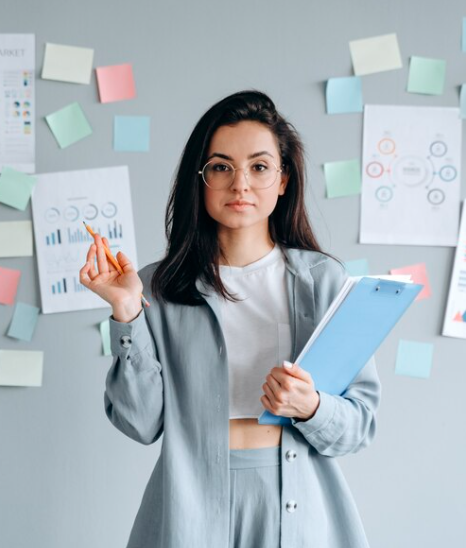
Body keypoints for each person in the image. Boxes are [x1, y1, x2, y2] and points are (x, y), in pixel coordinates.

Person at [80, 90, 381, 548]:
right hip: (189, 506)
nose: (240, 183)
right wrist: (125, 312)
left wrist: (312, 406)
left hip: (298, 500)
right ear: (200, 181)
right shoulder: (155, 287)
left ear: (283, 180)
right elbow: (140, 423)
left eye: (259, 167)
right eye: (221, 167)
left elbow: (360, 424)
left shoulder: (323, 282)